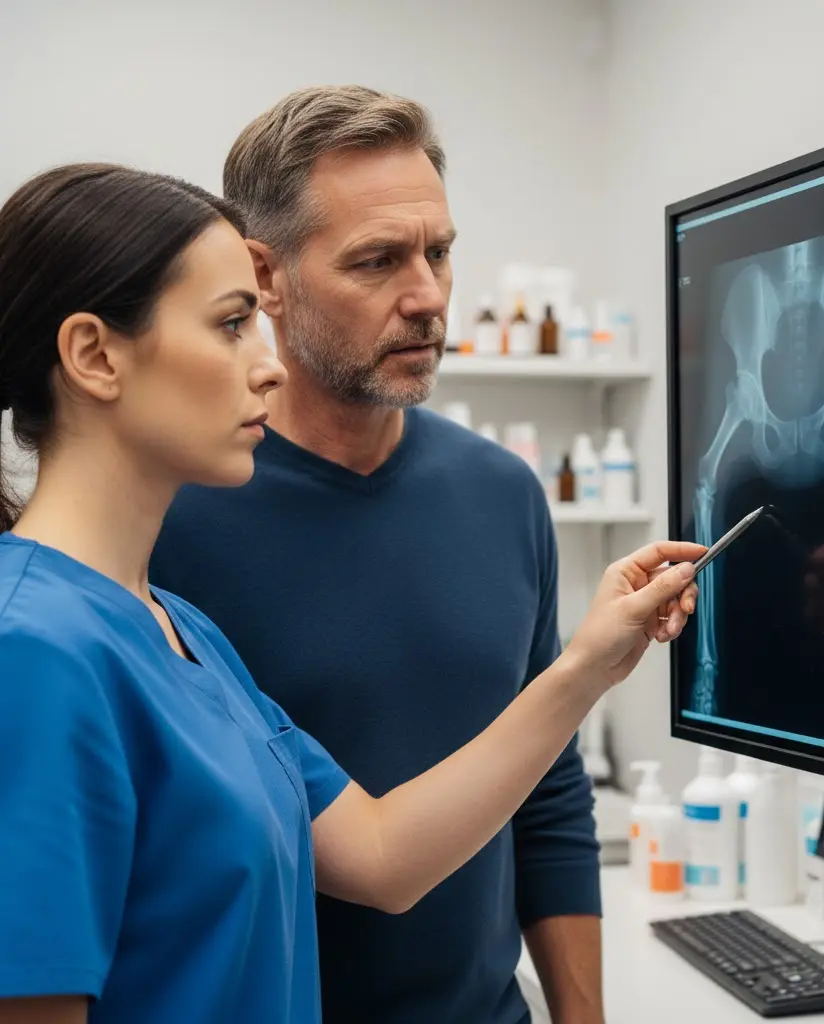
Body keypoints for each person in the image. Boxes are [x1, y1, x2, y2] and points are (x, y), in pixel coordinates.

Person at [0, 162, 702, 1024]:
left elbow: (382, 858)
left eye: (439, 253)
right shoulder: (30, 653)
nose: (267, 367)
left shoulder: (177, 629)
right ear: (94, 355)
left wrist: (589, 666)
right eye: (230, 325)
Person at [146, 86, 612, 1023]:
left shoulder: (503, 494)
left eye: (439, 252)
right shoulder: (166, 520)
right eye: (378, 261)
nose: (429, 295)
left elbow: (549, 794)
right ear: (264, 278)